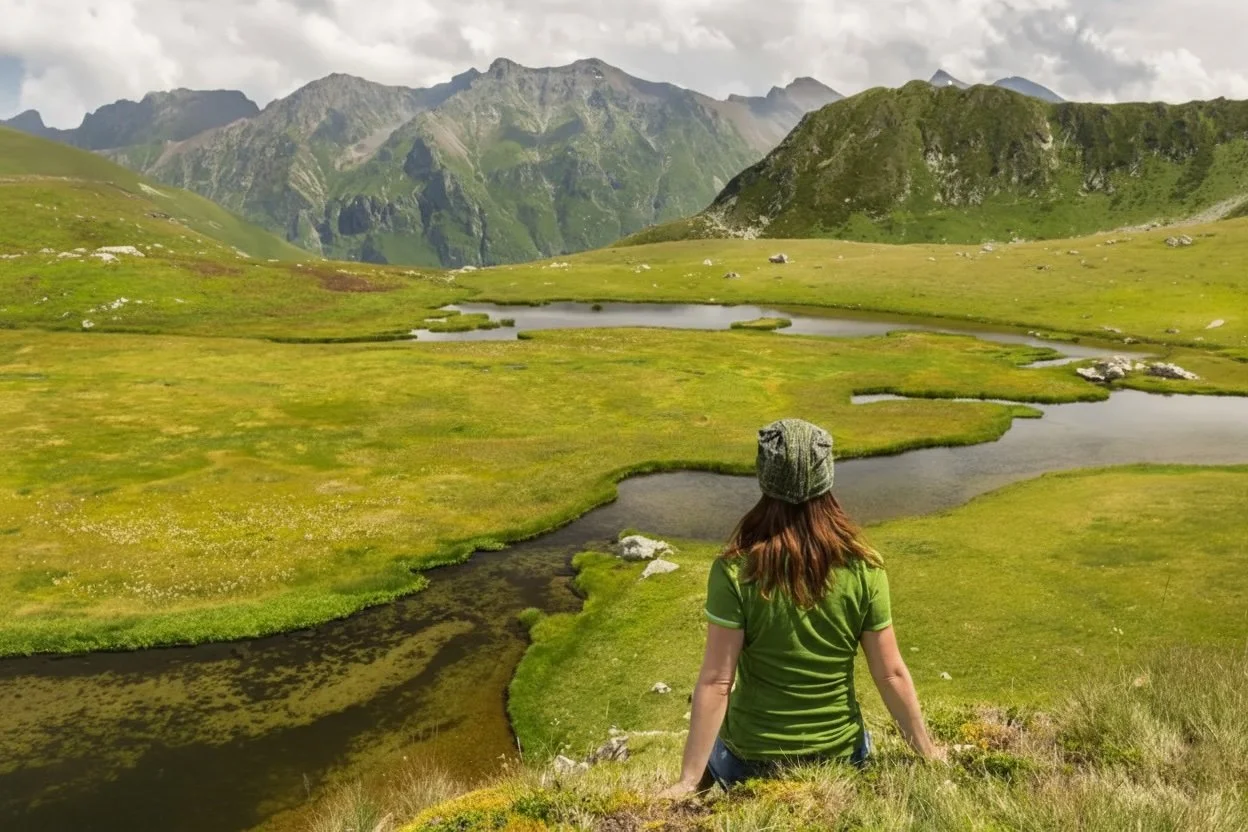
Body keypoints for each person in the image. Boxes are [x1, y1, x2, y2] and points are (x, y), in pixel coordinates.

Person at [661, 418, 942, 797]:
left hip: (750, 763)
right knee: (865, 740)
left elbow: (716, 682)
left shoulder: (734, 570)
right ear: (826, 477)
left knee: (717, 748)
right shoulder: (865, 568)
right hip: (841, 758)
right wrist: (928, 753)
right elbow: (891, 675)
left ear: (765, 477)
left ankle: (710, 788)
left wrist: (686, 782)